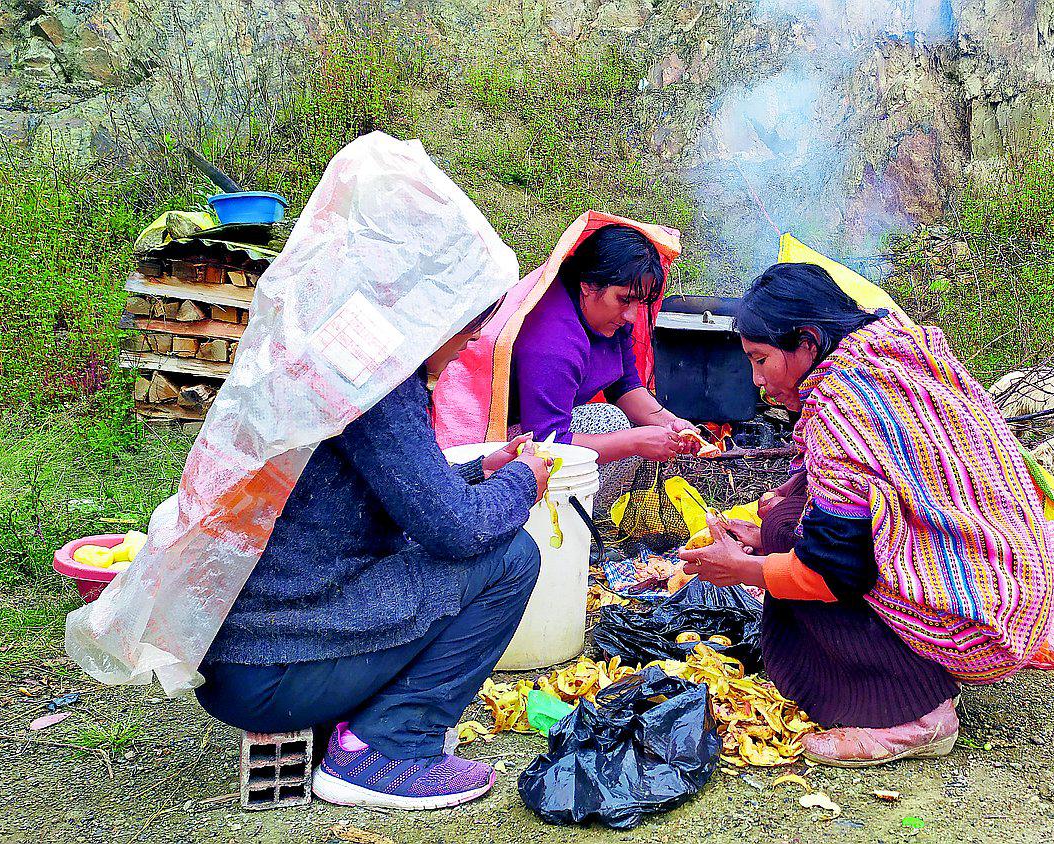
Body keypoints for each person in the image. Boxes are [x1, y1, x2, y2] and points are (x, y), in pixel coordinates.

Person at [681, 262, 1054, 767]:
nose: (757, 380)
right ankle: (916, 668)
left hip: (978, 617)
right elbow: (867, 483)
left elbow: (830, 574)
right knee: (783, 520)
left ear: (807, 342)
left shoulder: (841, 411)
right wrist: (764, 535)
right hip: (1009, 576)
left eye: (762, 360)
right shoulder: (889, 347)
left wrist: (739, 569)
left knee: (798, 562)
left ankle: (912, 716)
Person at [195, 314, 552, 811]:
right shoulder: (380, 381)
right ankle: (387, 748)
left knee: (439, 545)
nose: (461, 353)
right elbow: (459, 530)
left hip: (243, 655)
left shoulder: (330, 351)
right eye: (467, 337)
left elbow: (396, 491)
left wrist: (482, 471)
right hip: (270, 668)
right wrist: (520, 484)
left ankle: (371, 724)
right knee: (511, 556)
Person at [508, 223, 700, 468]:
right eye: (625, 299)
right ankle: (581, 506)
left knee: (652, 432)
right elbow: (546, 442)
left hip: (545, 434)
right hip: (517, 443)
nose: (631, 316)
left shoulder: (610, 317)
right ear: (588, 284)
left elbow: (624, 385)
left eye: (638, 302)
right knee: (611, 422)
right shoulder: (553, 342)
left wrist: (669, 422)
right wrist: (633, 442)